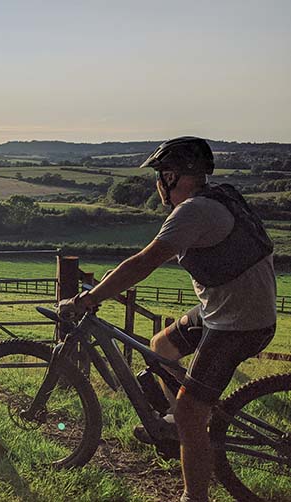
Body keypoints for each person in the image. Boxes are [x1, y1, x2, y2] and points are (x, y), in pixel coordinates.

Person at [59, 136, 276, 502]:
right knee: (162, 346)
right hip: (228, 309)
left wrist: (90, 298)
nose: (158, 183)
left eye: (160, 175)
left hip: (239, 323)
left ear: (173, 176)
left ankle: (195, 493)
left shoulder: (193, 212)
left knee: (193, 411)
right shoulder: (220, 195)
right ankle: (179, 426)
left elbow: (145, 262)